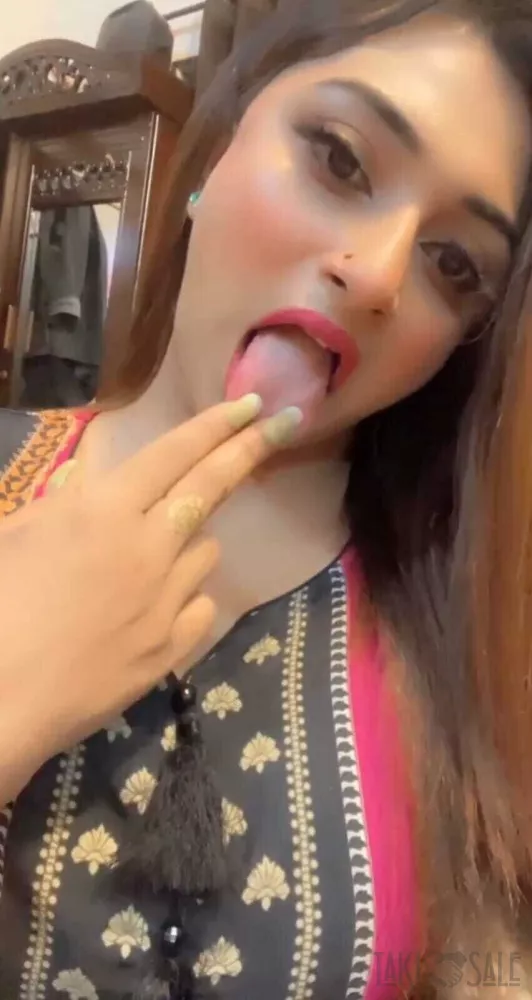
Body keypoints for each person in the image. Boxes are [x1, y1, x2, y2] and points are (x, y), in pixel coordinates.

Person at [1, 1, 532, 997]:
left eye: (454, 263)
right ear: (213, 150)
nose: (377, 275)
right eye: (339, 159)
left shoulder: (465, 642)